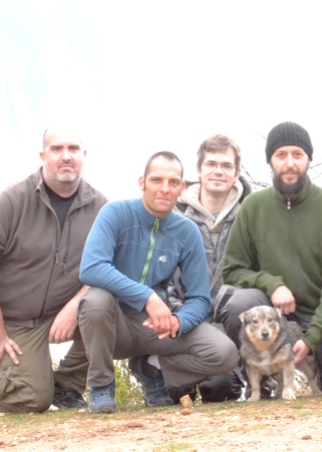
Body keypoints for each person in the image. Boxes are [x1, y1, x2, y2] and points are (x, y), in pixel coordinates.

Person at [0, 127, 108, 419]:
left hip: (61, 313)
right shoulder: (15, 199)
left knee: (108, 307)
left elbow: (108, 266)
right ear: (43, 156)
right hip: (12, 320)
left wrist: (72, 306)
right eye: (57, 149)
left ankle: (66, 385)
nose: (66, 156)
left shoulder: (100, 207)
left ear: (84, 156)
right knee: (32, 397)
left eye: (73, 149)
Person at [220, 121, 322, 397]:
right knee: (240, 302)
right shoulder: (252, 207)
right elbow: (232, 269)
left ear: (308, 159)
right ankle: (262, 378)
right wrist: (271, 284)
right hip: (271, 315)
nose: (290, 163)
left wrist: (312, 338)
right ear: (271, 160)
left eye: (297, 154)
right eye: (281, 155)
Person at [76, 151, 240, 413]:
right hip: (113, 323)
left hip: (156, 327)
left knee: (224, 353)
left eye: (173, 182)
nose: (165, 189)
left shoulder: (187, 232)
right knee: (96, 299)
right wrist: (147, 297)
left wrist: (179, 321)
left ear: (182, 188)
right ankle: (101, 387)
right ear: (142, 182)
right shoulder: (115, 213)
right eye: (156, 180)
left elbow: (199, 298)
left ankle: (154, 369)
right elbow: (91, 268)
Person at [128, 134, 251, 404]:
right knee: (175, 397)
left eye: (226, 166)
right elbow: (155, 278)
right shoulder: (172, 216)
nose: (218, 171)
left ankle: (162, 367)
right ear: (199, 170)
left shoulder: (250, 216)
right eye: (211, 164)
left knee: (221, 390)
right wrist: (179, 317)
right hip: (182, 318)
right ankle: (152, 365)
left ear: (237, 173)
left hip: (230, 324)